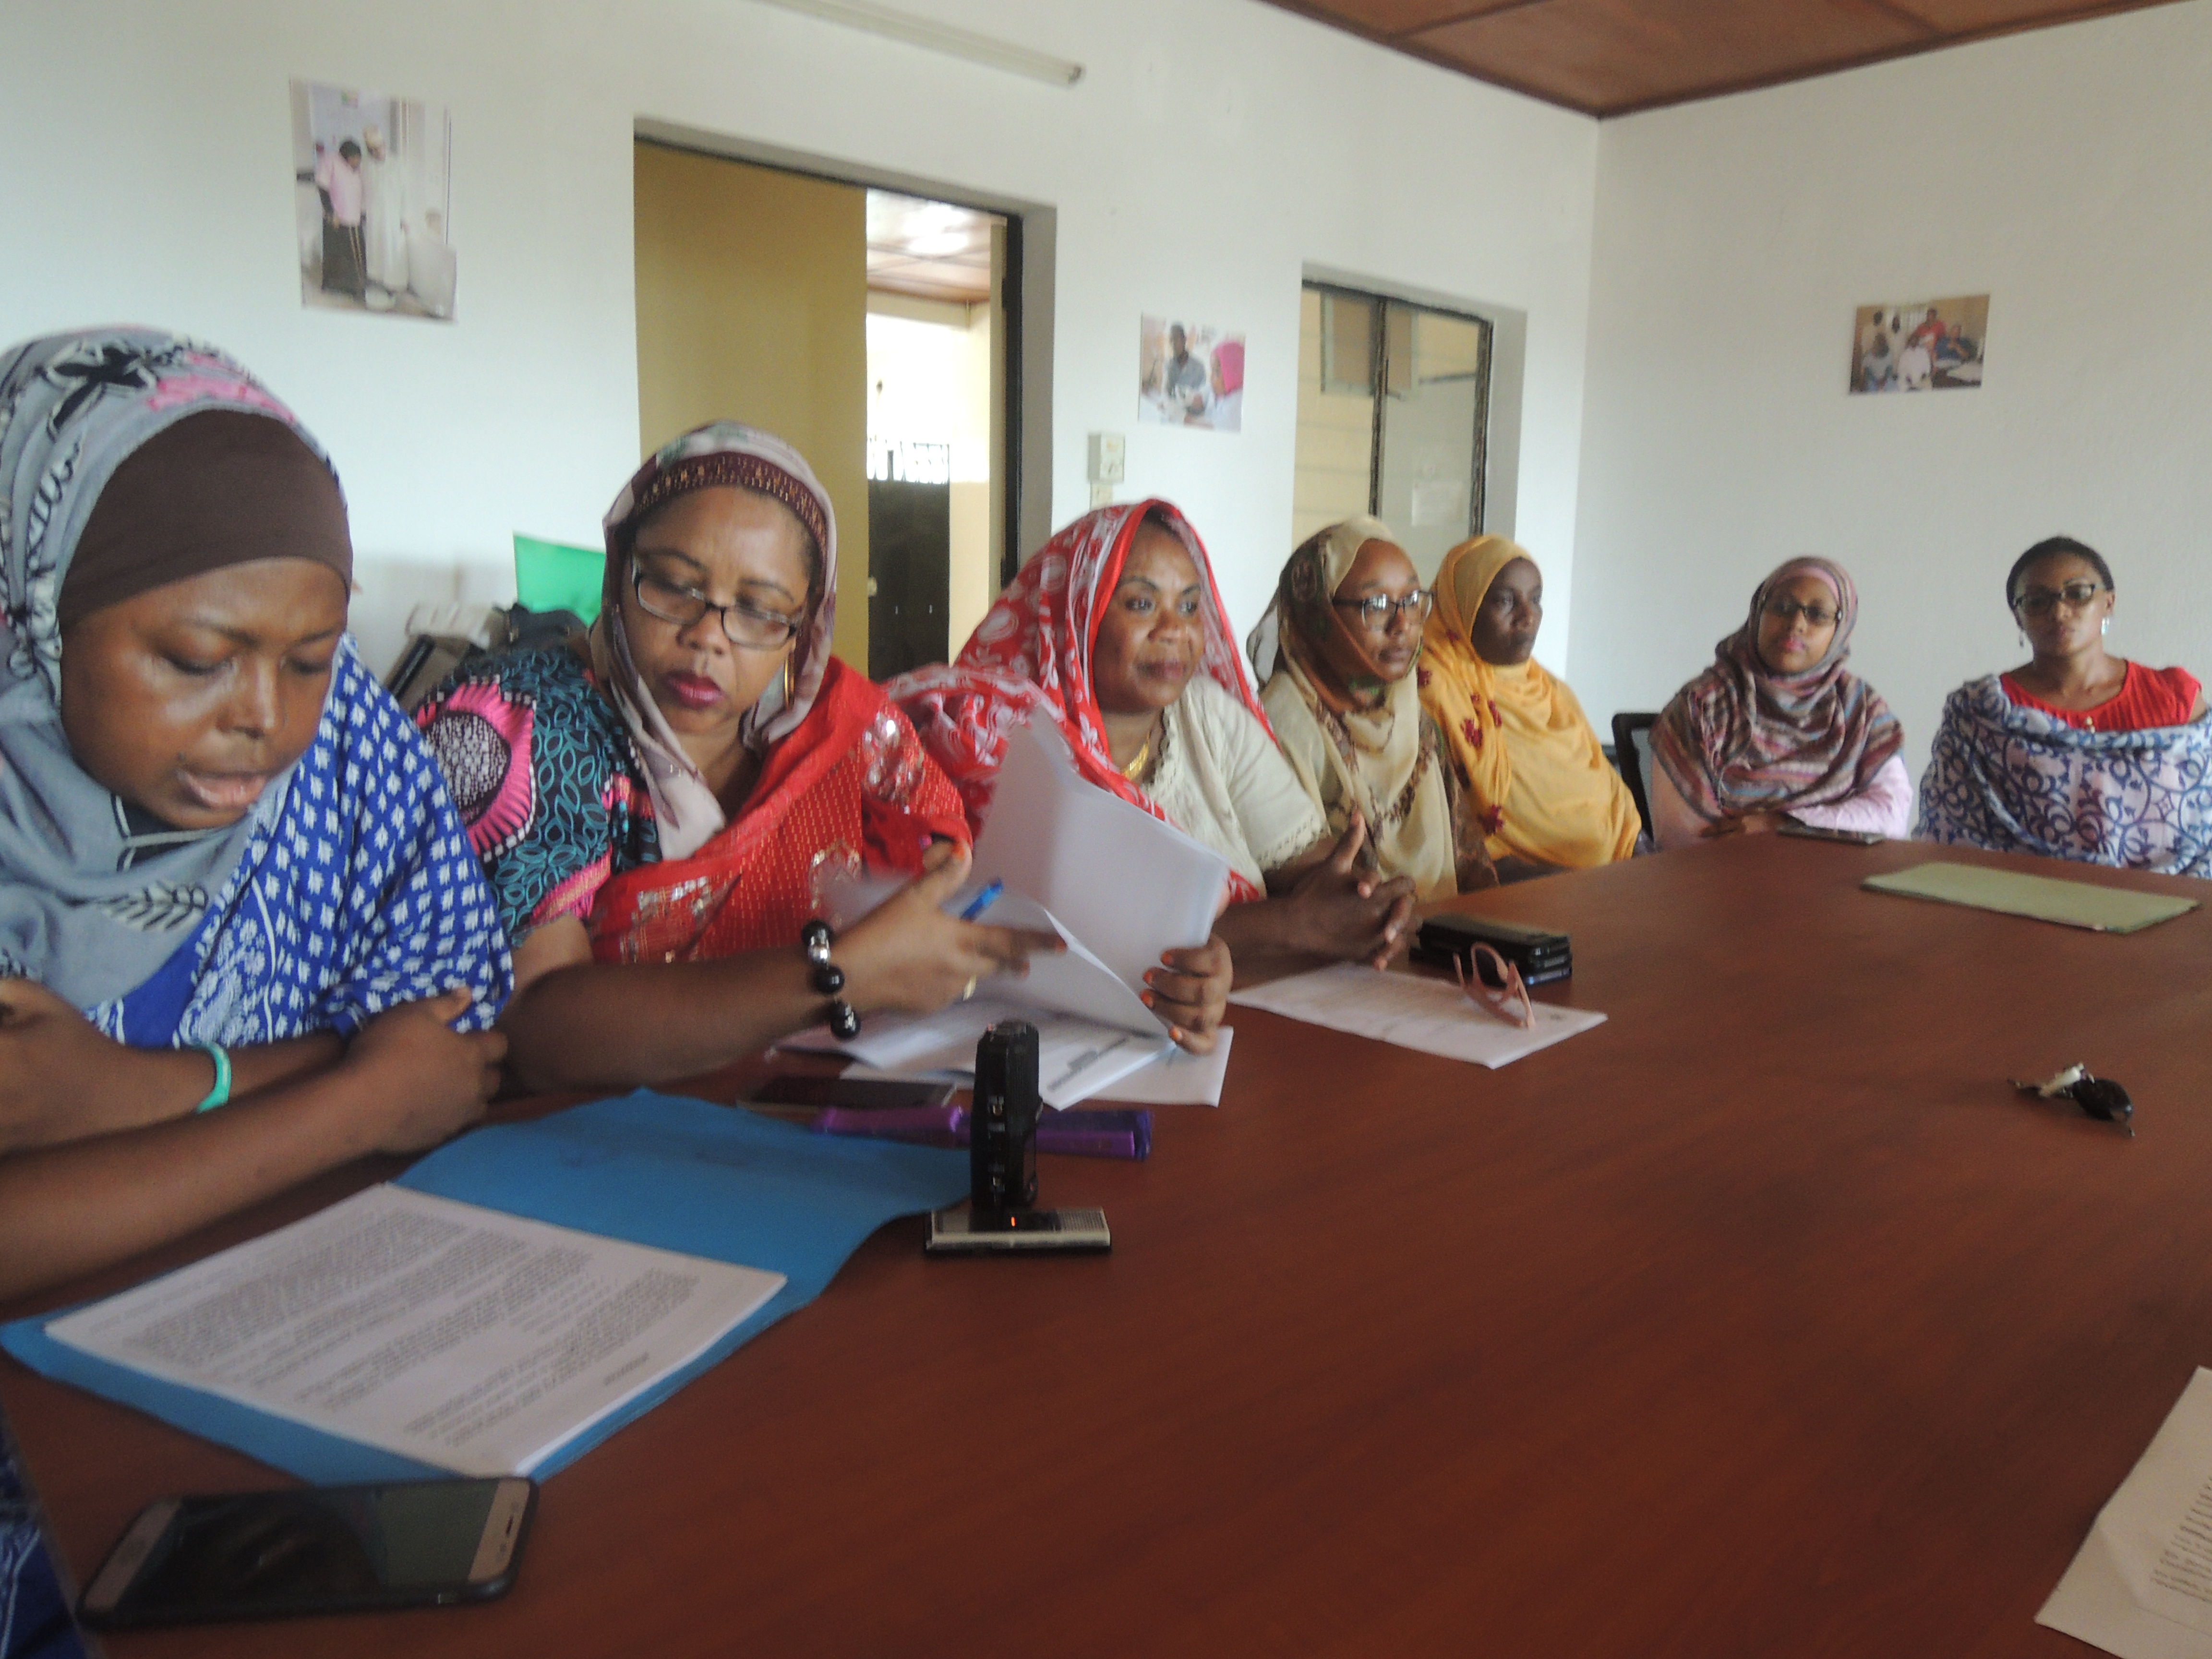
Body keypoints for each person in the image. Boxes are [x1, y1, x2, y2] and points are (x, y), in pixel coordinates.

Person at [0, 328, 511, 1298]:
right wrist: (351, 1100)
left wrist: (138, 1096)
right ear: (36, 615)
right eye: (197, 662)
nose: (267, 722)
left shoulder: (346, 740)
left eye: (311, 658)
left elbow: (450, 1050)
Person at [416, 422, 1159, 1089]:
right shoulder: (523, 720)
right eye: (674, 587)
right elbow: (540, 1032)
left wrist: (1164, 972)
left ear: (804, 629)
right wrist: (839, 976)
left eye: (759, 610)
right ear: (619, 577)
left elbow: (965, 890)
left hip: (792, 1108)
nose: (709, 635)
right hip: (563, 1147)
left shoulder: (847, 734)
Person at [892, 501, 1417, 977]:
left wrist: (1371, 905)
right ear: (1078, 614)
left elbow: (1311, 873)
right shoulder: (998, 741)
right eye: (1142, 605)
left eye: (1190, 607)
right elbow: (1080, 941)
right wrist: (1288, 926)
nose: (1175, 630)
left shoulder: (1207, 715)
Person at [1918, 536, 2212, 872]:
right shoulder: (1982, 713)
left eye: (2078, 593)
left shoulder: (2174, 697)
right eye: (2037, 601)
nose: (2059, 611)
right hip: (2022, 904)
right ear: (2019, 617)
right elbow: (1952, 829)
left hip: (2170, 900)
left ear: (2109, 603)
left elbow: (2206, 820)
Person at [1248, 517, 1488, 898]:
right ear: (1319, 615)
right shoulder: (1277, 725)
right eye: (1376, 605)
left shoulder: (1411, 716)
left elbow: (1468, 861)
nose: (1403, 624)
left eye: (1412, 600)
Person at [1419, 535, 1640, 877]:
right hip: (1524, 896)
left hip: (1614, 878)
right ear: (1463, 605)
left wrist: (1643, 857)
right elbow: (1452, 831)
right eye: (1505, 601)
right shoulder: (1434, 688)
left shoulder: (1551, 690)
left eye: (1536, 599)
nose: (1528, 617)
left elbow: (1610, 793)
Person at [1650, 558, 1909, 849]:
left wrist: (1787, 825)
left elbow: (1891, 814)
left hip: (1838, 881)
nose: (1796, 624)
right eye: (1782, 607)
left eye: (1818, 614)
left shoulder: (1861, 711)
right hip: (1725, 881)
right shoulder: (1702, 707)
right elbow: (1682, 840)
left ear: (1841, 628)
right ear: (1758, 611)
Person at [361, 122, 407, 299]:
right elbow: (363, 189)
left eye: (378, 148)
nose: (376, 153)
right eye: (372, 150)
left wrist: (405, 218)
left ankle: (393, 284)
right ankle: (377, 280)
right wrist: (363, 211)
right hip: (373, 215)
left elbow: (406, 193)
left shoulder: (397, 164)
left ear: (384, 145)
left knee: (391, 248)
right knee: (375, 247)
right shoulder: (365, 165)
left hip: (392, 216)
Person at [315, 138, 366, 298]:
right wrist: (331, 213)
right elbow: (323, 188)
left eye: (358, 159)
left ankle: (356, 288)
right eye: (353, 159)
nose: (356, 162)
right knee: (333, 254)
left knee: (355, 256)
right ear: (344, 157)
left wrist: (363, 213)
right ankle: (332, 286)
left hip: (353, 217)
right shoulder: (329, 161)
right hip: (336, 218)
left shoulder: (358, 168)